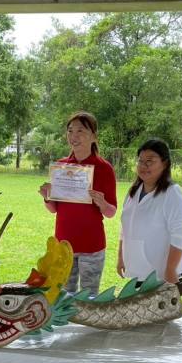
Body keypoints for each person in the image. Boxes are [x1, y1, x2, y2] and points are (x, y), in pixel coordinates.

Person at [38, 111, 117, 295]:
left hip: (92, 246)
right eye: (70, 131)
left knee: (89, 298)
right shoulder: (61, 167)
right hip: (63, 244)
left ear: (93, 136)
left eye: (80, 131)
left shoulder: (104, 169)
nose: (74, 136)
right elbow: (53, 209)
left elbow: (111, 212)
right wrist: (47, 197)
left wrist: (102, 203)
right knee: (63, 297)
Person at [117, 138, 182, 284]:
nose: (143, 166)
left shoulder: (172, 192)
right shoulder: (133, 192)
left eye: (150, 161)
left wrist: (170, 269)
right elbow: (125, 227)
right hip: (137, 272)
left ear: (165, 163)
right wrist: (120, 258)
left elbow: (180, 235)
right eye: (140, 161)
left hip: (162, 276)